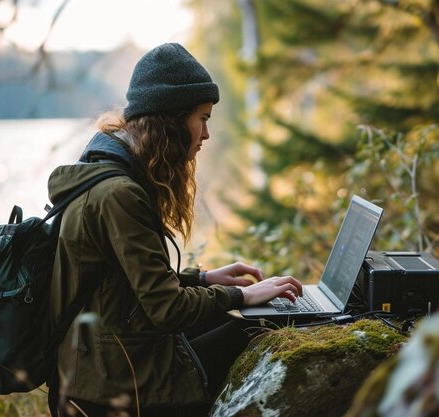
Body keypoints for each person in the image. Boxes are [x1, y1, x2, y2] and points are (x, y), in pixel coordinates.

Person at [46, 43, 303, 417]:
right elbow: (166, 309)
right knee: (257, 325)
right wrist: (241, 297)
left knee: (238, 318)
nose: (206, 134)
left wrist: (204, 279)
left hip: (99, 361)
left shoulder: (109, 175)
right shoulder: (120, 194)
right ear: (171, 120)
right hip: (111, 384)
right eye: (203, 118)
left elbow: (127, 284)